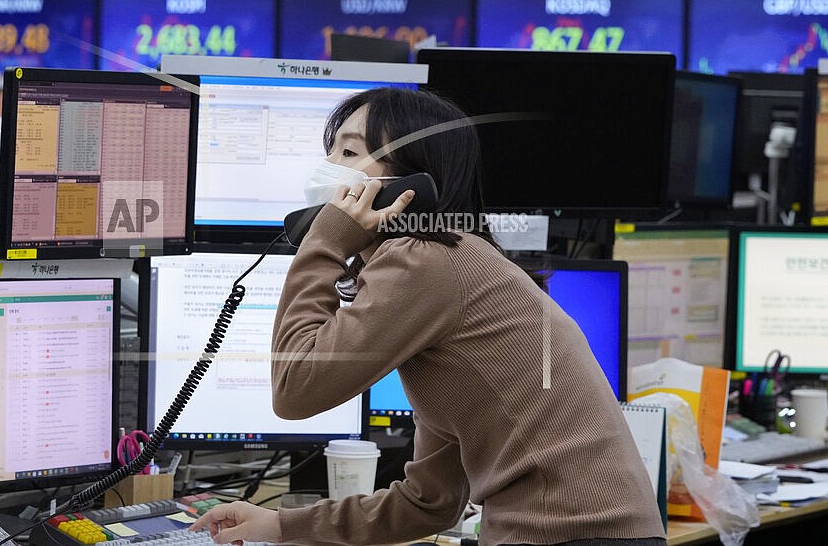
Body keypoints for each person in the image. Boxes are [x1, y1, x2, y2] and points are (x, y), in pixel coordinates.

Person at [191, 88, 666, 546]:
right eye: (330, 152)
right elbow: (430, 502)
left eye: (349, 153)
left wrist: (325, 242)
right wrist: (281, 525)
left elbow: (295, 389)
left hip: (566, 535)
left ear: (407, 187)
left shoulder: (424, 261)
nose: (329, 170)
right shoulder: (450, 264)